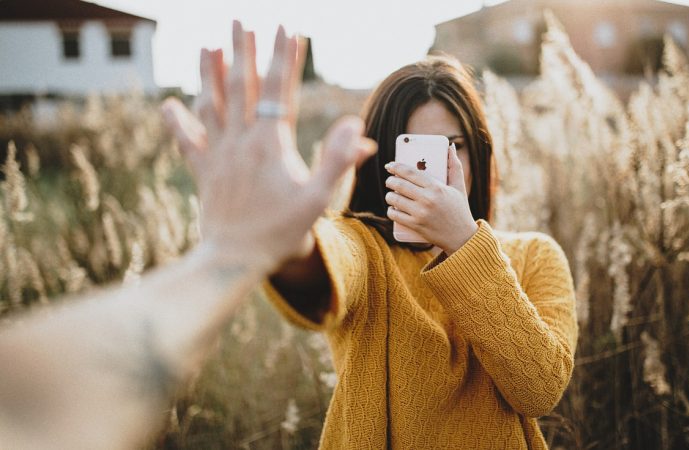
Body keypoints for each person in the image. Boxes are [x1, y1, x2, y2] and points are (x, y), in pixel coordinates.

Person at [0, 21, 376, 450]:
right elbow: (28, 407)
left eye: (452, 145)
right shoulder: (365, 243)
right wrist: (237, 250)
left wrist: (233, 249)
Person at [263, 54, 579, 448]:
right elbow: (326, 266)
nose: (436, 171)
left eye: (455, 146)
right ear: (380, 162)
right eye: (414, 153)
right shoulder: (364, 246)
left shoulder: (535, 255)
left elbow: (539, 389)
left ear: (478, 153)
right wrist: (293, 239)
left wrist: (465, 244)